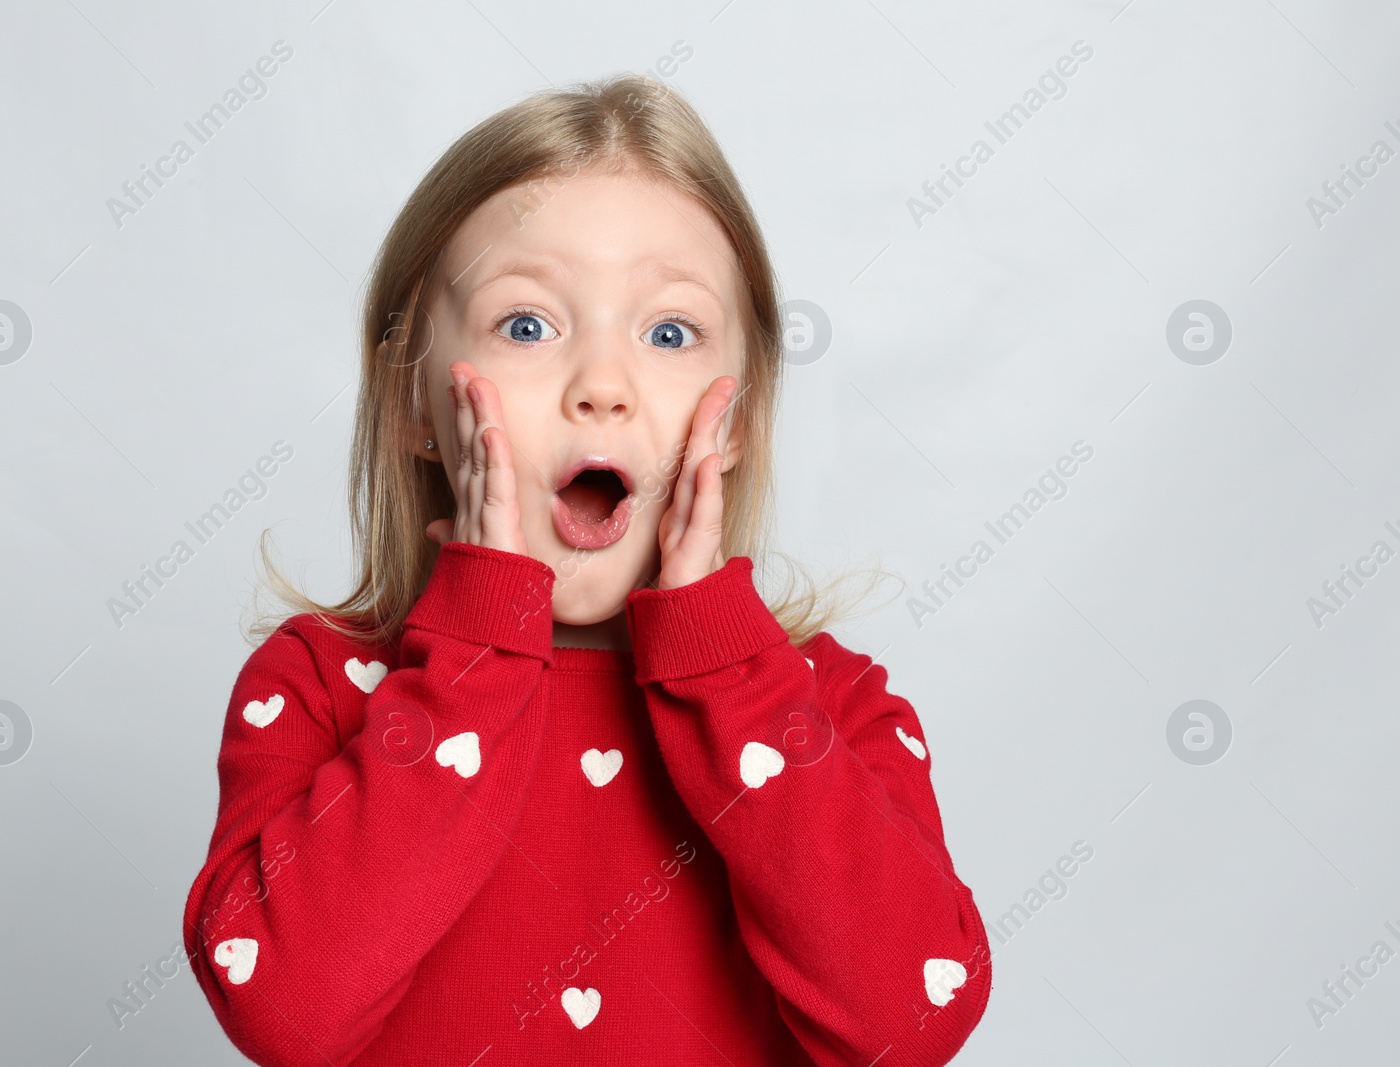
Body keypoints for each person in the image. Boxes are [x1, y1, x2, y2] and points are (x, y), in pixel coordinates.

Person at [182, 72, 991, 1066]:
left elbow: (908, 1023)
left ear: (737, 418)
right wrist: (475, 649)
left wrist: (724, 669)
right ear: (410, 402)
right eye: (527, 325)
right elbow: (287, 1015)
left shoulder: (828, 705)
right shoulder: (318, 687)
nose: (601, 386)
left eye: (668, 331)